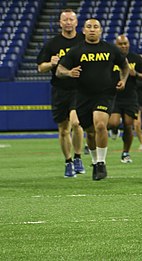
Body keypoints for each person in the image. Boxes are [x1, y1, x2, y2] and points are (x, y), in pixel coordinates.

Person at [56, 19, 129, 181]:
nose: (92, 30)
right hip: (83, 96)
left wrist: (123, 80)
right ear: (84, 30)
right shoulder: (76, 51)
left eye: (95, 27)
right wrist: (69, 73)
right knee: (90, 132)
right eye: (89, 27)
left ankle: (102, 163)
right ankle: (95, 162)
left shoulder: (110, 49)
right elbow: (59, 70)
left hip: (105, 94)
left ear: (101, 31)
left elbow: (125, 65)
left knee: (101, 125)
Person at [36, 8, 86, 178]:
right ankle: (68, 161)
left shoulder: (83, 41)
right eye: (65, 20)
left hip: (79, 89)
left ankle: (78, 157)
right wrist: (50, 63)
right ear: (60, 23)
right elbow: (40, 67)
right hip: (60, 89)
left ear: (76, 22)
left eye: (71, 19)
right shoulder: (52, 44)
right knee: (63, 130)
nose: (68, 22)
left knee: (77, 123)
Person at [110, 35, 142, 163]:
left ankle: (125, 153)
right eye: (120, 44)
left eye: (125, 43)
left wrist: (135, 73)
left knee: (128, 125)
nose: (123, 46)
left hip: (130, 97)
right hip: (114, 96)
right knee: (113, 122)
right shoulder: (110, 59)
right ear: (116, 45)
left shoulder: (136, 59)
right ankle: (114, 129)